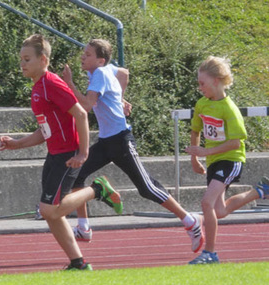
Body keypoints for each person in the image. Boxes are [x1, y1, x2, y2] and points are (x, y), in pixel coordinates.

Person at [62, 39, 205, 251]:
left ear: (100, 60)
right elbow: (124, 73)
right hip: (106, 141)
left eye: (88, 54)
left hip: (120, 140)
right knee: (76, 173)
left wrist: (70, 84)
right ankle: (83, 228)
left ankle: (190, 220)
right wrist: (120, 98)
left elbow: (86, 107)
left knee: (146, 188)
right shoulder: (104, 69)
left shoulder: (100, 73)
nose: (83, 57)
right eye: (84, 53)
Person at [0, 34, 121, 270]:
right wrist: (17, 143)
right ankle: (78, 262)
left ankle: (97, 189)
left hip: (68, 154)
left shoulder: (52, 83)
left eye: (27, 59)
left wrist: (83, 153)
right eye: (21, 59)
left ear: (43, 59)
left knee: (49, 209)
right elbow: (45, 131)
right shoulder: (38, 87)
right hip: (54, 154)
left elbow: (82, 114)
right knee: (51, 213)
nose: (22, 64)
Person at [185, 56, 269, 264]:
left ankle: (210, 254)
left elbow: (234, 142)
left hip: (231, 159)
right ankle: (260, 191)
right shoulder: (202, 104)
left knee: (207, 203)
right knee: (219, 211)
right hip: (213, 160)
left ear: (216, 81)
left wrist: (203, 152)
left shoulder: (229, 108)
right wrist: (196, 159)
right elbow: (195, 131)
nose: (199, 87)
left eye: (202, 83)